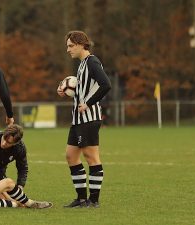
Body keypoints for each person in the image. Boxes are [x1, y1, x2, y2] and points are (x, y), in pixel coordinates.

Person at [57, 31, 111, 208]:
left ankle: (93, 201)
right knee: (71, 156)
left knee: (91, 157)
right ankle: (81, 199)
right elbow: (83, 91)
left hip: (89, 119)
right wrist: (66, 91)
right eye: (67, 46)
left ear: (81, 44)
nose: (68, 49)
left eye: (71, 46)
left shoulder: (92, 62)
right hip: (78, 119)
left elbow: (106, 85)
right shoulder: (81, 65)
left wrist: (87, 103)